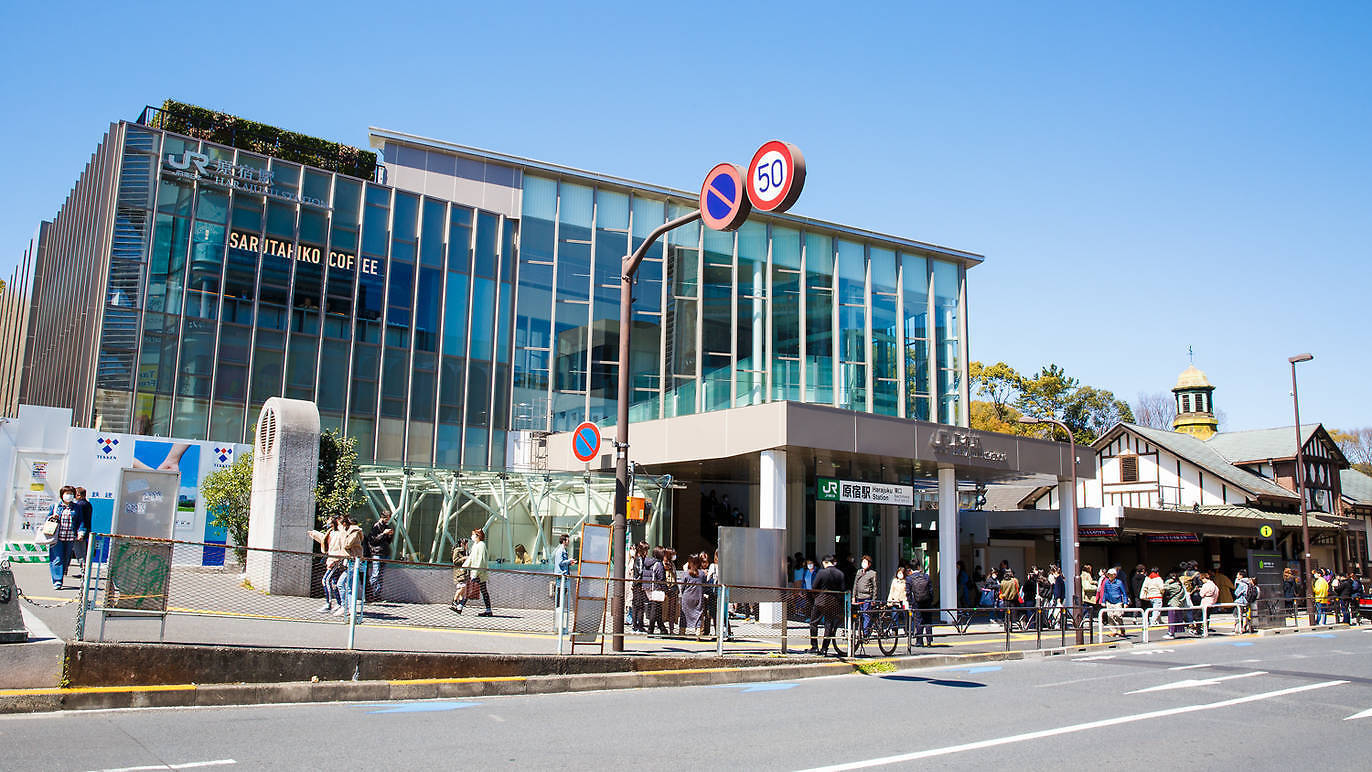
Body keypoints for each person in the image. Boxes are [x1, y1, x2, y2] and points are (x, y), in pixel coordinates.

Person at [45, 485, 86, 590]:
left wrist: (81, 532)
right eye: (67, 493)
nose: (69, 496)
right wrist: (52, 517)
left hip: (70, 537)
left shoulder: (76, 507)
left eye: (71, 494)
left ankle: (61, 574)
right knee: (57, 559)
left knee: (66, 559)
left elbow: (80, 520)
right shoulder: (55, 507)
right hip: (57, 537)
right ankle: (57, 581)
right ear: (62, 495)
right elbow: (47, 519)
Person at [808, 555, 846, 656]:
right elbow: (842, 589)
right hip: (833, 602)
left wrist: (815, 597)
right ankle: (825, 648)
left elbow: (814, 586)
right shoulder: (840, 574)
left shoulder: (821, 572)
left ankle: (814, 646)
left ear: (824, 562)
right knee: (829, 625)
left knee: (813, 623)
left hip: (820, 601)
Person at [455, 528, 493, 616]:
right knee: (483, 591)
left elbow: (481, 560)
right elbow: (471, 558)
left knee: (469, 589)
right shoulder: (476, 545)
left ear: (478, 536)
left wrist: (475, 573)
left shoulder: (481, 545)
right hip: (478, 572)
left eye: (473, 535)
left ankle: (460, 607)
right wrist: (464, 567)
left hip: (479, 573)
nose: (471, 536)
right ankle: (488, 610)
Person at [905, 561, 936, 647]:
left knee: (918, 621)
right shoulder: (926, 576)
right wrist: (931, 600)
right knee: (928, 620)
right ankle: (929, 641)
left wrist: (911, 602)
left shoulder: (909, 578)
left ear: (910, 569)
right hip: (927, 601)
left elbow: (908, 592)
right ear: (919, 567)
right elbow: (931, 590)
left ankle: (919, 641)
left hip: (916, 602)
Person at [679, 556, 709, 640]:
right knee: (698, 614)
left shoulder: (686, 573)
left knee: (684, 614)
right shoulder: (702, 574)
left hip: (687, 597)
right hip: (698, 596)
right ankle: (698, 633)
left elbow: (682, 586)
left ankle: (682, 632)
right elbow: (705, 585)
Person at [365, 511, 395, 595]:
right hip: (377, 553)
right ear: (384, 517)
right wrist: (383, 533)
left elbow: (388, 542)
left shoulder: (386, 526)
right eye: (388, 518)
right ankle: (368, 593)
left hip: (384, 552)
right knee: (376, 574)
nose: (388, 520)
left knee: (380, 575)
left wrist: (389, 535)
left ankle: (377, 594)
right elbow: (373, 540)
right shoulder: (376, 526)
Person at [69, 487, 94, 579]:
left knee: (80, 552)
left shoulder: (80, 505)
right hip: (84, 531)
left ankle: (84, 572)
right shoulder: (88, 504)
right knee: (80, 552)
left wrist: (80, 531)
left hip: (79, 532)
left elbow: (80, 520)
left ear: (78, 495)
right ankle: (83, 571)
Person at [643, 547, 668, 635]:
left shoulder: (647, 563)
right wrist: (666, 591)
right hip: (656, 589)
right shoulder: (659, 564)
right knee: (655, 609)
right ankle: (651, 630)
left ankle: (662, 629)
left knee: (656, 609)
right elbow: (661, 579)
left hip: (648, 588)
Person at [553, 534, 574, 635]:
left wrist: (569, 563)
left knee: (561, 599)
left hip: (563, 576)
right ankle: (559, 626)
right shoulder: (561, 551)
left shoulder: (562, 550)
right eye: (567, 540)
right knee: (560, 600)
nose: (569, 541)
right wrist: (569, 561)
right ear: (564, 541)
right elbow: (560, 562)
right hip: (561, 577)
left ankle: (560, 626)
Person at [852, 554, 878, 636]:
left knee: (866, 614)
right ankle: (864, 630)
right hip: (859, 597)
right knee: (861, 614)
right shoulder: (859, 572)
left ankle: (865, 633)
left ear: (869, 564)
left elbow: (875, 587)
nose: (863, 563)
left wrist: (874, 599)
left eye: (865, 562)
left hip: (867, 597)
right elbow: (855, 585)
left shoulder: (872, 573)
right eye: (863, 562)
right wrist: (853, 597)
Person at [1101, 568, 1129, 637]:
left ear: (1115, 575)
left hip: (1118, 601)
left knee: (1118, 615)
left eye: (1111, 575)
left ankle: (1122, 630)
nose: (1109, 576)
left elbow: (1124, 593)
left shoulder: (1119, 582)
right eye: (1108, 574)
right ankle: (1113, 631)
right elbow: (1105, 592)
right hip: (1109, 601)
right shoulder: (1106, 582)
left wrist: (1125, 602)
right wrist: (1103, 601)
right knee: (1110, 616)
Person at [629, 541, 648, 631]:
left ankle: (636, 624)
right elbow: (640, 572)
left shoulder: (637, 558)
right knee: (639, 606)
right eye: (646, 550)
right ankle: (638, 625)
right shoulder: (640, 559)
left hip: (636, 584)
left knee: (636, 605)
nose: (647, 552)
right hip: (639, 585)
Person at [1162, 571, 1187, 638]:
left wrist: (1167, 581)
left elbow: (1164, 587)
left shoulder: (1175, 586)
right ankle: (1172, 632)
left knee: (1171, 619)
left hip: (1173, 603)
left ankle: (1171, 633)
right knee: (1176, 619)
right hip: (1178, 603)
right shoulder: (1180, 585)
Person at [449, 538, 470, 610]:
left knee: (462, 591)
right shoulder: (457, 550)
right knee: (462, 587)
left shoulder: (467, 551)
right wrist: (464, 558)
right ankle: (454, 601)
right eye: (465, 543)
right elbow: (455, 561)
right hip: (459, 572)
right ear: (461, 544)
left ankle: (459, 607)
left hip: (465, 572)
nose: (467, 545)